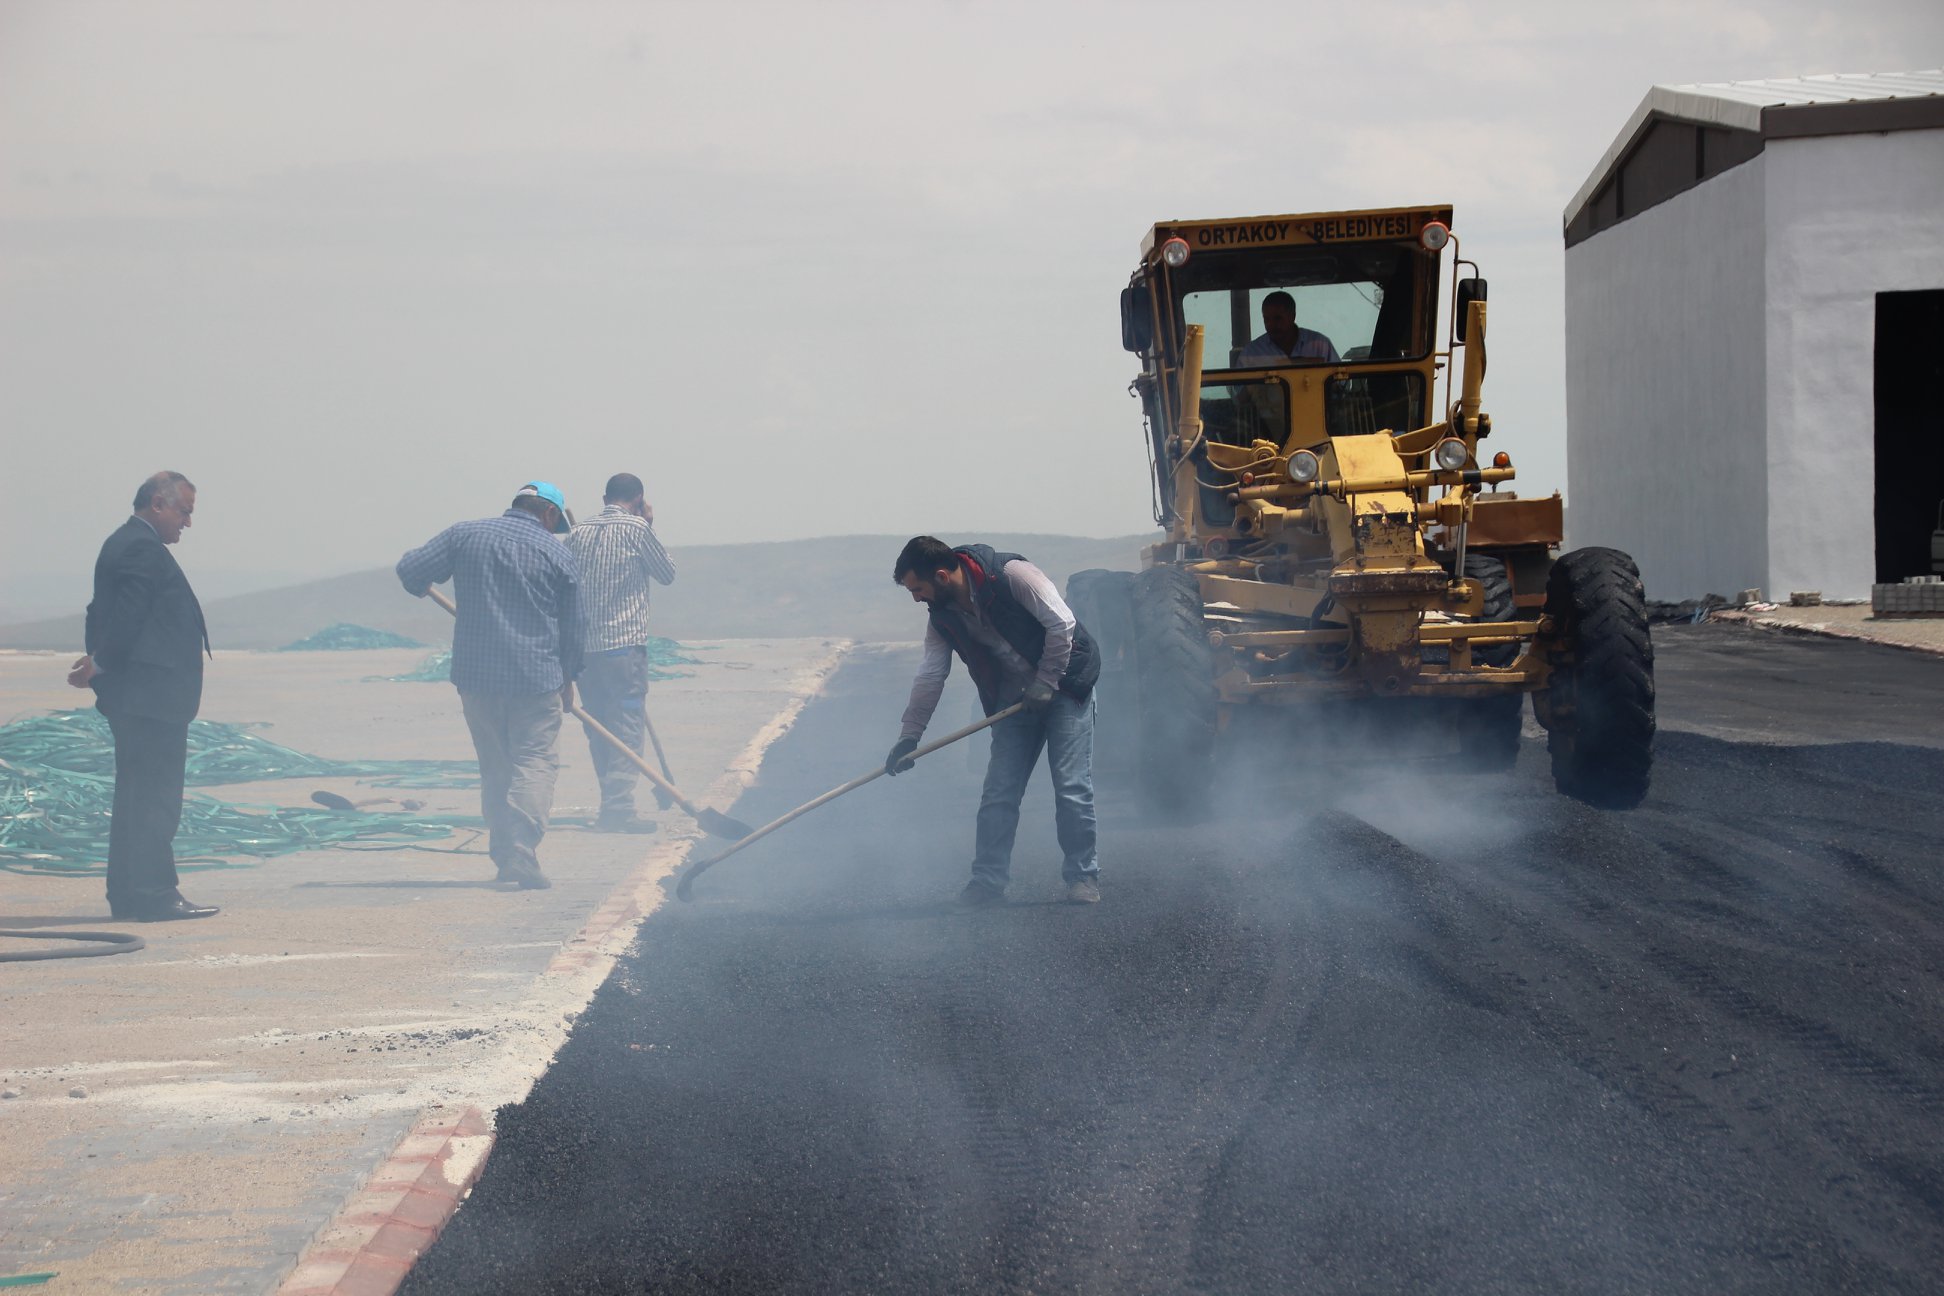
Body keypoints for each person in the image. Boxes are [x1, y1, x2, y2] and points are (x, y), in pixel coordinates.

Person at [885, 537, 1102, 906]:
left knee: (1070, 786)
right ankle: (987, 883)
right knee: (999, 791)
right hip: (1014, 698)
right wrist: (910, 737)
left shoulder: (1012, 575)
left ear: (940, 576)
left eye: (917, 589)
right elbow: (930, 675)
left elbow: (1062, 624)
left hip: (1066, 684)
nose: (916, 599)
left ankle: (1082, 877)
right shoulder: (942, 617)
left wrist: (1047, 682)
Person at [396, 482, 582, 890]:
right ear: (549, 515)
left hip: (477, 680)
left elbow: (410, 571)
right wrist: (569, 680)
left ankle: (505, 856)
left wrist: (427, 583)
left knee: (496, 767)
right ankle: (521, 851)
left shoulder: (465, 534)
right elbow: (573, 629)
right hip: (536, 679)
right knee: (534, 764)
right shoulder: (556, 552)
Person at [67, 471, 218, 921]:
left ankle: (130, 894)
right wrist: (102, 663)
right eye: (184, 511)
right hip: (150, 699)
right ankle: (154, 894)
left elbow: (104, 612)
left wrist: (101, 662)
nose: (187, 523)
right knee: (154, 797)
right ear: (158, 503)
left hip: (142, 697)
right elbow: (126, 615)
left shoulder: (127, 542)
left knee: (137, 796)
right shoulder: (138, 546)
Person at [563, 472, 677, 832]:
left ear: (604, 497)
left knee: (600, 728)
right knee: (627, 726)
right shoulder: (638, 529)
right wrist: (649, 524)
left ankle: (612, 803)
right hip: (623, 649)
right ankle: (619, 809)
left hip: (584, 652)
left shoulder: (577, 533)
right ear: (639, 499)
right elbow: (667, 574)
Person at [1236, 290, 1340, 366]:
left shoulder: (1321, 346)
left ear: (1292, 316)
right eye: (1266, 319)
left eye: (1278, 318)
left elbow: (1342, 384)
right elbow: (1238, 391)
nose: (1271, 324)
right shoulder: (1251, 353)